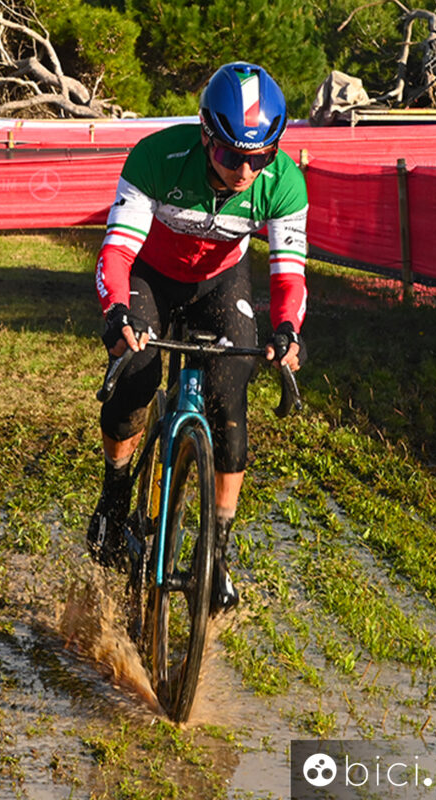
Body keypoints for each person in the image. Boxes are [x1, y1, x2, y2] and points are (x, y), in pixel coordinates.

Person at [87, 61, 308, 614]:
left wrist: (286, 332)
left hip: (219, 282)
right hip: (150, 276)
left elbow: (289, 275)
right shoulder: (157, 159)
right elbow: (116, 253)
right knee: (133, 384)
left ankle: (219, 556)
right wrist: (118, 314)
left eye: (260, 157)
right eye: (232, 154)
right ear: (207, 136)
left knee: (232, 403)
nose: (245, 170)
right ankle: (115, 502)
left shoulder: (283, 182)